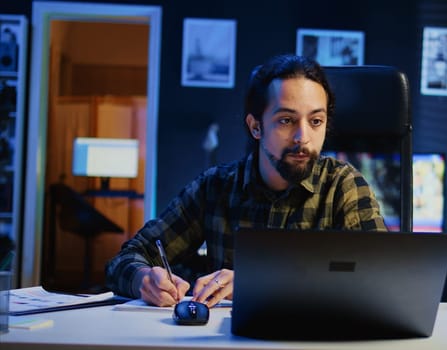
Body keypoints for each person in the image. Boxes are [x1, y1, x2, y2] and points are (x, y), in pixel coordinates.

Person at [105, 54, 387, 308]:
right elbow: (127, 257)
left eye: (316, 121)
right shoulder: (215, 187)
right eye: (286, 121)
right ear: (255, 126)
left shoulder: (343, 186)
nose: (303, 138)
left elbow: (382, 278)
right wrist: (143, 279)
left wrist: (256, 284)